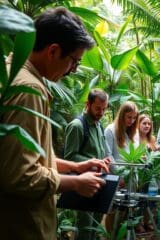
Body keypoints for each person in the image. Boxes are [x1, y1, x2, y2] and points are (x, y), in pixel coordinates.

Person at [0, 7, 108, 240]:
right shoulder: (28, 90)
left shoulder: (11, 74)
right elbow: (20, 176)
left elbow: (25, 157)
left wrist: (75, 167)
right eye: (73, 62)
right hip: (23, 226)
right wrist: (75, 183)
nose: (73, 70)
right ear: (53, 51)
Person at [63, 89, 112, 240]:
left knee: (95, 227)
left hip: (98, 182)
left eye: (104, 109)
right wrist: (91, 162)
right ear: (88, 104)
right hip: (82, 184)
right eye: (98, 108)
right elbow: (69, 158)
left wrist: (103, 160)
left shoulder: (98, 125)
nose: (101, 112)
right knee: (84, 228)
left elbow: (100, 152)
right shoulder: (77, 126)